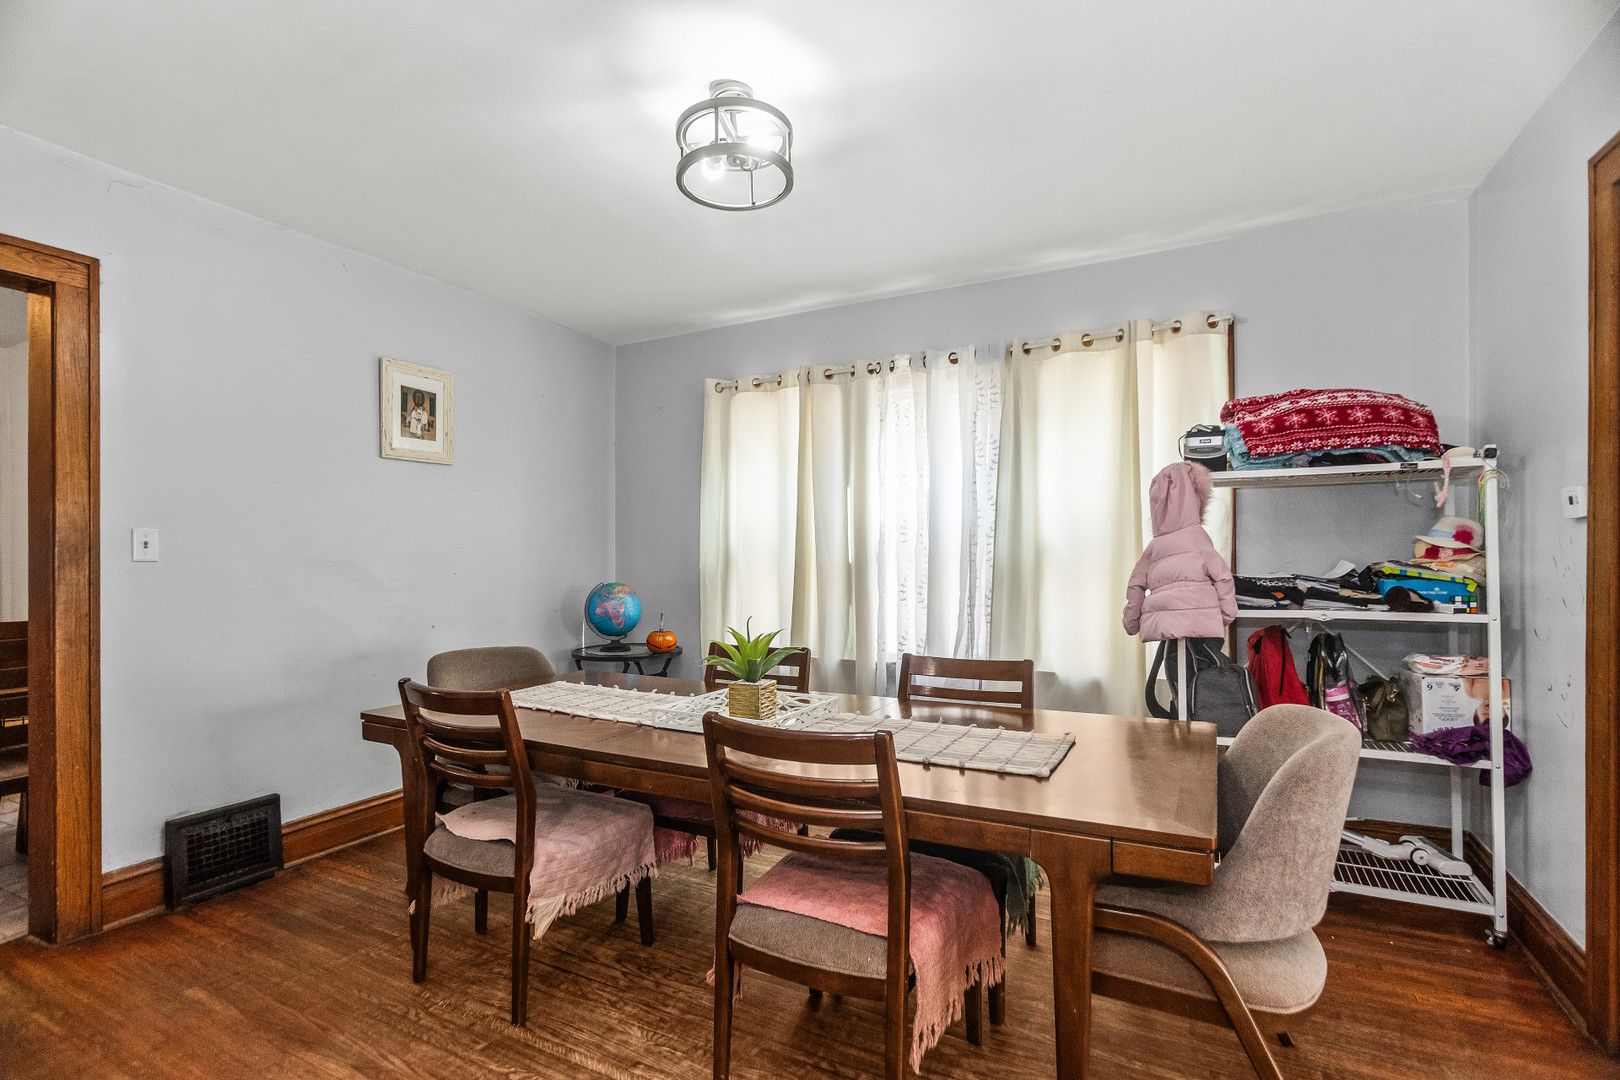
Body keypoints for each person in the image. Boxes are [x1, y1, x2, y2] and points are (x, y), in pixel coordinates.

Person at [1122, 461, 1236, 641]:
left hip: (1160, 622)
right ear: (1196, 497)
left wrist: (1131, 623)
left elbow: (1135, 585)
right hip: (1198, 619)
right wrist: (1226, 615)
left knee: (1175, 665)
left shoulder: (1155, 545)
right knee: (1198, 664)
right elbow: (1222, 577)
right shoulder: (1197, 537)